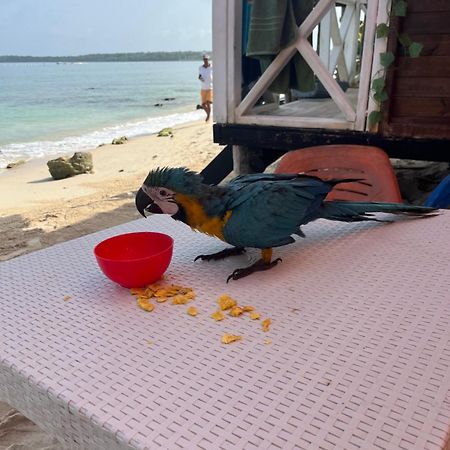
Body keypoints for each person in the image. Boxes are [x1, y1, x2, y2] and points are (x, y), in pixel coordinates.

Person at [198, 54, 213, 122]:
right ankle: (208, 114)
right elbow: (200, 76)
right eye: (204, 59)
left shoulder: (212, 67)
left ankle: (208, 116)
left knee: (208, 103)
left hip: (210, 87)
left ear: (208, 59)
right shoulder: (200, 67)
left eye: (206, 59)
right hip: (203, 87)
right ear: (203, 60)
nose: (205, 60)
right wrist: (200, 78)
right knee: (203, 104)